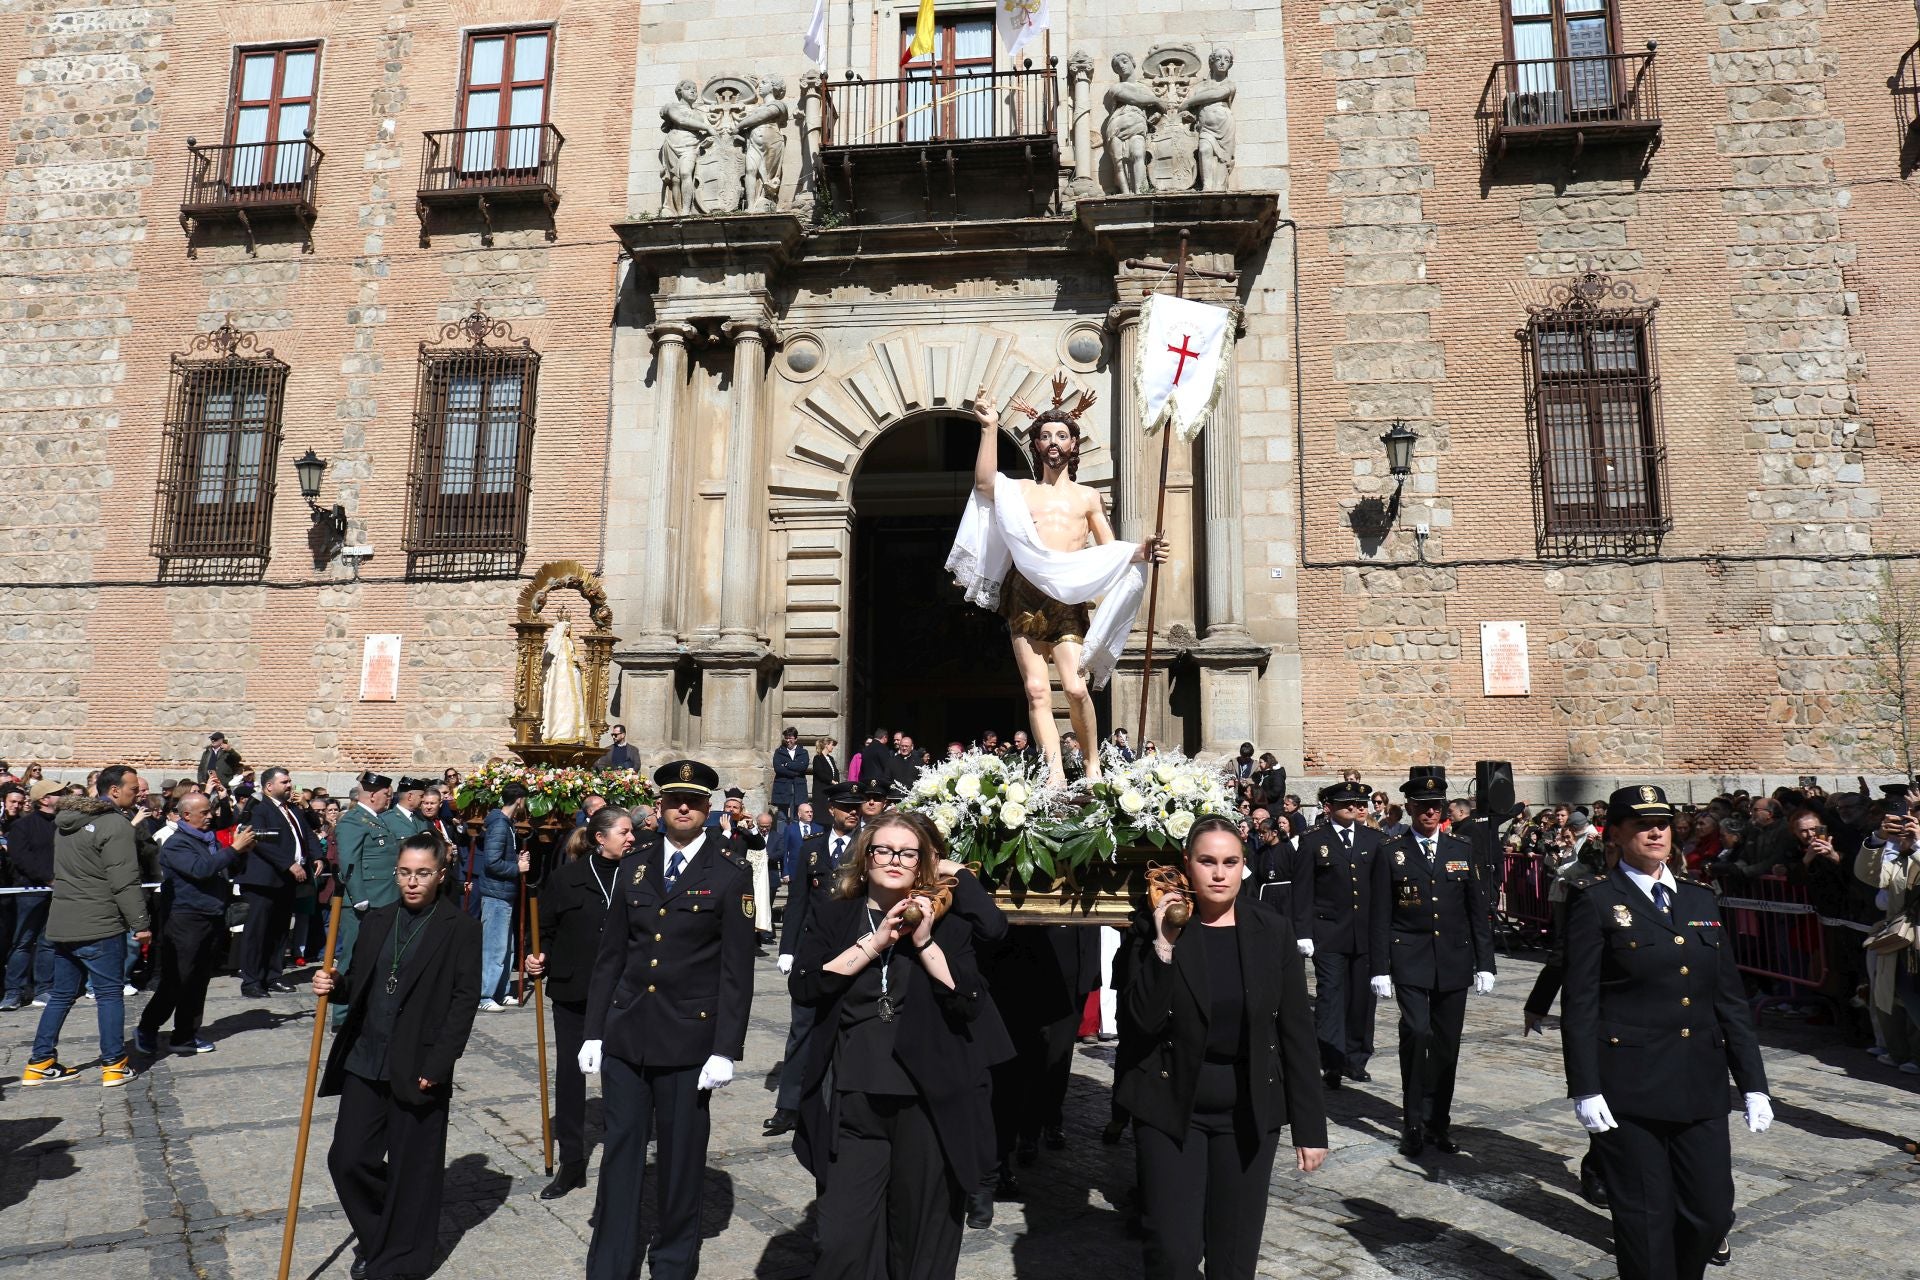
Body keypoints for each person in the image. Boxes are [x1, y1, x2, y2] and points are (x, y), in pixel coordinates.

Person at [1562, 785, 1772, 1280]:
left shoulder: (1699, 899)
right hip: (1629, 1088)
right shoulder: (1595, 902)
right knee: (1644, 1218)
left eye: (1662, 823)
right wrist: (1585, 1087)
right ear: (1614, 834)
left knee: (1712, 1212)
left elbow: (1729, 1001)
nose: (1655, 832)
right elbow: (1581, 1004)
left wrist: (1754, 1083)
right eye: (1640, 824)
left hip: (1699, 1084)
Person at [1117, 816, 1328, 1279]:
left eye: (1230, 862)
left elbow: (1295, 1030)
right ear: (1187, 866)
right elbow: (1139, 1021)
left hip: (1249, 1111)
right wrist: (1164, 945)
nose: (1218, 873)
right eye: (1207, 861)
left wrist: (1310, 1128)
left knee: (1233, 1259)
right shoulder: (1153, 926)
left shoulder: (1271, 929)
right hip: (1172, 1107)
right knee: (1173, 1253)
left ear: (1243, 867)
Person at [788, 809, 990, 1279]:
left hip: (926, 1104)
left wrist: (923, 943)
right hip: (854, 1099)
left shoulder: (950, 926)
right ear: (866, 858)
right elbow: (807, 985)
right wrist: (876, 942)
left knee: (918, 1244)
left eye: (908, 852)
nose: (894, 859)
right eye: (883, 850)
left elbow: (968, 1002)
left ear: (923, 863)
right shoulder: (835, 915)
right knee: (842, 1241)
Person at [579, 760, 755, 1280]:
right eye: (675, 799)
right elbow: (612, 955)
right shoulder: (634, 866)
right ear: (659, 807)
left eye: (695, 801)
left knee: (679, 1162)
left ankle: (674, 1262)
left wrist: (726, 1047)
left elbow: (736, 971)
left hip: (689, 1042)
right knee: (621, 1157)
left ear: (707, 809)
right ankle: (610, 1264)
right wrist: (593, 1030)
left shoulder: (729, 873)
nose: (684, 807)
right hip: (628, 1035)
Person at [958, 383, 1165, 788]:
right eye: (1046, 435)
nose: (1054, 442)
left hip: (1068, 597)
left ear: (1073, 445)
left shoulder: (1088, 498)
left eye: (1062, 435)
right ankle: (1053, 771)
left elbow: (1110, 549)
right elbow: (984, 485)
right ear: (1036, 444)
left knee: (1073, 686)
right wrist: (988, 426)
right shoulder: (1020, 490)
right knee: (1036, 690)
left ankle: (1091, 765)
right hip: (1026, 594)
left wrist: (1141, 551)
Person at [314, 833, 482, 1280]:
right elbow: (359, 980)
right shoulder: (378, 919)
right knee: (347, 1159)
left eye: (422, 873)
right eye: (405, 872)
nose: (412, 882)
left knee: (414, 1170)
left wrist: (439, 1064)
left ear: (440, 875)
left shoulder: (460, 927)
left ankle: (398, 1264)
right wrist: (335, 985)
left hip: (420, 1064)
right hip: (366, 1059)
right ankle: (382, 1236)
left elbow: (464, 1001)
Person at [1369, 766, 1495, 1157]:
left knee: (1446, 1046)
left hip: (1454, 960)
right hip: (1409, 956)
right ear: (1408, 808)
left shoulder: (1461, 850)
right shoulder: (1391, 852)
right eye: (1422, 806)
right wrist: (1380, 968)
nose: (1429, 813)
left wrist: (1486, 962)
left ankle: (1437, 1122)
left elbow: (1477, 910)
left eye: (1435, 806)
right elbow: (1379, 914)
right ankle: (1411, 1122)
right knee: (1418, 1033)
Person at [523, 804, 635, 1199]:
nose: (632, 837)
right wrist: (538, 956)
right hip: (575, 993)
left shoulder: (639, 876)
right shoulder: (567, 879)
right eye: (624, 832)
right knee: (571, 1079)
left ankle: (623, 1161)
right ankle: (572, 1163)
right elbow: (544, 931)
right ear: (600, 838)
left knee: (622, 1076)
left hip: (624, 995)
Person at [24, 765, 152, 1087]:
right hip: (99, 922)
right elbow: (124, 880)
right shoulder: (114, 824)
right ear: (114, 791)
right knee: (109, 994)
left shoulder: (64, 824)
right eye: (133, 789)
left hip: (64, 921)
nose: (138, 794)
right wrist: (140, 923)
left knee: (62, 995)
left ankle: (39, 1062)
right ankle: (114, 1064)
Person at [135, 792, 251, 1056]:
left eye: (210, 811)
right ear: (187, 815)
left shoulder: (209, 840)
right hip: (186, 919)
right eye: (205, 813)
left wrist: (241, 853)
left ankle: (185, 1035)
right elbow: (200, 870)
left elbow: (224, 870)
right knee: (177, 980)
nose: (211, 816)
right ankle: (147, 1028)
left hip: (211, 918)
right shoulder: (177, 844)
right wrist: (233, 849)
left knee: (199, 981)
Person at [1300, 779, 1382, 1089]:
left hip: (1364, 934)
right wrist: (1303, 932)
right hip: (1328, 933)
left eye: (1357, 802)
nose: (1352, 806)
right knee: (1330, 998)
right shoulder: (1312, 841)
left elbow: (1382, 893)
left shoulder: (1375, 840)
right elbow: (1303, 891)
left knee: (1362, 999)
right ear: (1329, 807)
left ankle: (1357, 1059)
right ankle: (1332, 1061)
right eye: (1345, 802)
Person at [236, 766, 315, 997]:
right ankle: (251, 981)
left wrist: (317, 858)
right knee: (258, 931)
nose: (290, 786)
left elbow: (307, 833)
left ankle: (273, 976)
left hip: (285, 883)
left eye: (290, 781)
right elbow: (259, 840)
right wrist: (289, 863)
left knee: (280, 932)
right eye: (285, 782)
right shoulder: (259, 809)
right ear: (269, 786)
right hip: (264, 881)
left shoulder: (292, 810)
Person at [1, 779, 62, 1010]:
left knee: (49, 942)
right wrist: (47, 877)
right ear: (44, 799)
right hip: (30, 891)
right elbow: (21, 858)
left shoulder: (63, 824)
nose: (63, 795)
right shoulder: (23, 826)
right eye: (58, 793)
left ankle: (43, 989)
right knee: (23, 942)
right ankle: (13, 992)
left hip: (57, 891)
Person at [474, 783, 531, 1012]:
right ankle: (485, 994)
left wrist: (517, 858)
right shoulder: (499, 825)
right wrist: (517, 867)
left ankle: (501, 991)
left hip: (505, 893)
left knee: (506, 947)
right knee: (494, 947)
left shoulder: (506, 825)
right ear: (519, 800)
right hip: (496, 894)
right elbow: (492, 862)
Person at [771, 726, 810, 830]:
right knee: (781, 816)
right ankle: (781, 841)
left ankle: (794, 838)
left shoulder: (803, 752)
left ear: (796, 739)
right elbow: (778, 768)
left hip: (798, 787)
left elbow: (803, 767)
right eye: (786, 738)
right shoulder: (779, 752)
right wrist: (795, 771)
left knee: (796, 816)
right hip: (783, 786)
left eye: (790, 738)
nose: (788, 740)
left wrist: (787, 764)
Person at [809, 735, 840, 816]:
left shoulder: (831, 758)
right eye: (831, 745)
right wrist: (831, 781)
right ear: (826, 745)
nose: (833, 747)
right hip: (821, 791)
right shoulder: (818, 758)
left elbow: (836, 772)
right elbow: (820, 773)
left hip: (831, 790)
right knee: (821, 814)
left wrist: (837, 782)